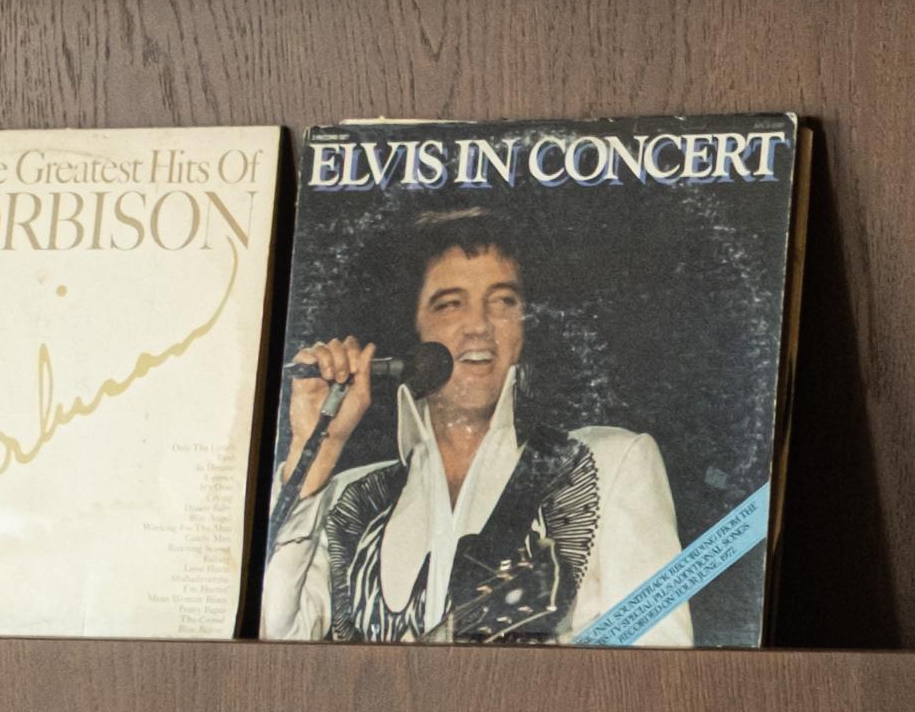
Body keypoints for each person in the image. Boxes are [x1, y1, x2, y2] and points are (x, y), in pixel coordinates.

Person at [261, 211, 690, 644]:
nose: (479, 326)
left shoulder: (613, 463)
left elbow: (657, 665)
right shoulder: (347, 500)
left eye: (504, 301)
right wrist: (314, 449)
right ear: (411, 329)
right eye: (450, 304)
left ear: (527, 324)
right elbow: (273, 642)